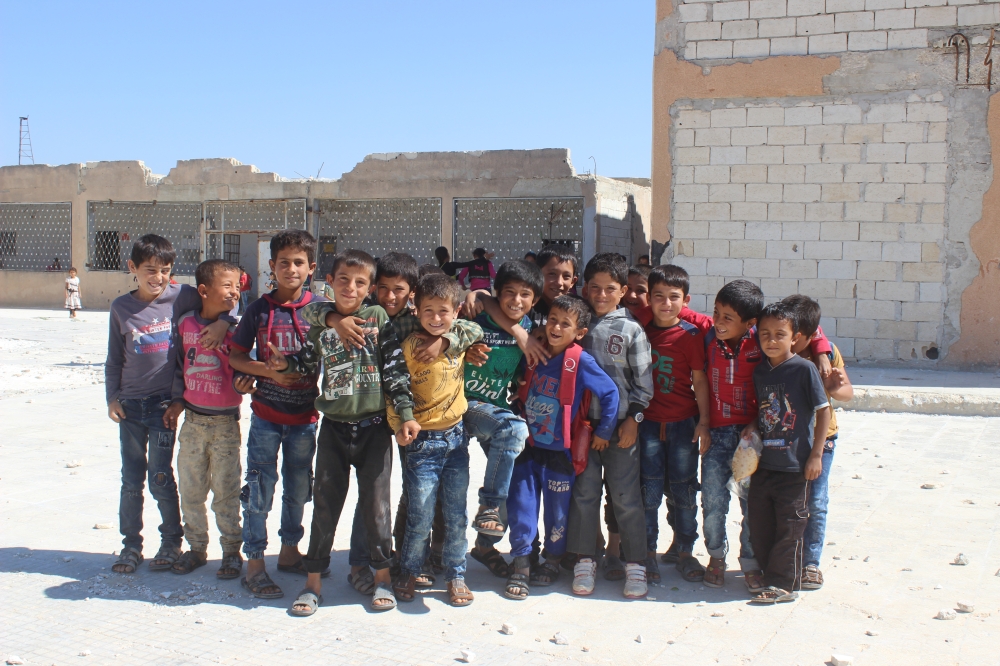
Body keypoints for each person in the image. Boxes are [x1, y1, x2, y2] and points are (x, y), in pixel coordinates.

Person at [313, 251, 483, 594]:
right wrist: (333, 318)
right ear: (375, 289)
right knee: (375, 495)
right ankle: (364, 563)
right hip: (370, 417)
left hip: (418, 422)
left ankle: (419, 558)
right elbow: (313, 312)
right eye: (385, 289)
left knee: (418, 495)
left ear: (412, 293)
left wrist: (446, 341)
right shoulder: (359, 316)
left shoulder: (416, 320)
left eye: (400, 290)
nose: (391, 296)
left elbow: (467, 326)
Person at [268, 249, 420, 615]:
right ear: (329, 283)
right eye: (343, 280)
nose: (350, 288)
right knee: (325, 507)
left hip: (373, 430)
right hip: (334, 430)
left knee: (376, 508)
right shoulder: (322, 321)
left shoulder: (377, 318)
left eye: (359, 283)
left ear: (369, 289)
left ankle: (382, 578)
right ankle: (313, 583)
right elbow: (308, 360)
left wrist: (407, 414)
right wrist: (285, 363)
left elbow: (395, 370)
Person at [105, 234, 230, 575]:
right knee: (131, 480)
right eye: (150, 270)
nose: (158, 277)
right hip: (130, 407)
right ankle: (131, 546)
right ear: (132, 268)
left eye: (165, 270)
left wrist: (224, 322)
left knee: (161, 477)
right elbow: (114, 359)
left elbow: (224, 299)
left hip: (165, 408)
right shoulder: (121, 308)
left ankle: (171, 540)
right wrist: (112, 398)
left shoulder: (183, 295)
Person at [228, 229, 324, 600]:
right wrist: (264, 371)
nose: (291, 269)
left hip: (305, 420)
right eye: (283, 262)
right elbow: (237, 356)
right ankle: (254, 562)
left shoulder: (320, 312)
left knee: (299, 489)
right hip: (266, 416)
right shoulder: (259, 309)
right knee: (259, 488)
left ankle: (289, 551)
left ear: (311, 268)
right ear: (272, 266)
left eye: (299, 262)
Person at [503, 295, 619, 600]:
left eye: (565, 324)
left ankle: (552, 561)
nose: (555, 327)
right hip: (527, 448)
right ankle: (522, 563)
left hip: (560, 454)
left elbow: (610, 394)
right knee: (521, 505)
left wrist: (604, 431)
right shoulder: (533, 351)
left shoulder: (580, 360)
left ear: (579, 332)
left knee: (557, 513)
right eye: (552, 319)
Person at [392, 274, 484, 608]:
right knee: (420, 515)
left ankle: (456, 574)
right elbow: (396, 389)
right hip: (422, 443)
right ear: (415, 310)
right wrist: (401, 421)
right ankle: (409, 570)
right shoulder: (410, 347)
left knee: (457, 514)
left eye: (443, 311)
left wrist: (446, 341)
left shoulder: (457, 338)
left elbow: (476, 329)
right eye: (428, 310)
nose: (435, 318)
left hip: (456, 440)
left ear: (456, 310)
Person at [566, 252, 654, 599]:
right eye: (595, 288)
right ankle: (585, 560)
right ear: (585, 289)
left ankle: (636, 564)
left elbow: (644, 383)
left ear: (623, 291)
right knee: (585, 494)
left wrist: (634, 418)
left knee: (625, 497)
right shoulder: (577, 324)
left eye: (610, 289)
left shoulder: (632, 329)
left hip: (620, 429)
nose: (602, 295)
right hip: (583, 428)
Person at [166, 259, 255, 579]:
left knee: (226, 491)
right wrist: (177, 400)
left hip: (225, 425)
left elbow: (247, 365)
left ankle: (232, 551)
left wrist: (246, 383)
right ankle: (196, 548)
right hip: (192, 422)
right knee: (190, 490)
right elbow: (177, 365)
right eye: (227, 285)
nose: (235, 291)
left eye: (237, 285)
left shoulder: (238, 328)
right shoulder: (185, 323)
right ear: (203, 291)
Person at [744, 301, 831, 604]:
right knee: (760, 522)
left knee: (790, 526)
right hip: (765, 464)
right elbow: (766, 409)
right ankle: (770, 575)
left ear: (794, 337)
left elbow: (824, 412)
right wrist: (753, 425)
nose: (770, 340)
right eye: (764, 334)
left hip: (795, 466)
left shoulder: (804, 370)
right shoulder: (760, 373)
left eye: (779, 334)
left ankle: (783, 585)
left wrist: (816, 455)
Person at [463, 260, 541, 579]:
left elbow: (521, 372)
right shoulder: (476, 316)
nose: (516, 300)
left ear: (534, 300)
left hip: (493, 410)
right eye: (509, 292)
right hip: (461, 404)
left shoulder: (531, 331)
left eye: (525, 294)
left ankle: (485, 545)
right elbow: (474, 302)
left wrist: (522, 379)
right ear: (497, 294)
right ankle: (488, 508)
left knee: (513, 474)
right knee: (513, 430)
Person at [638, 265, 711, 585]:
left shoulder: (691, 336)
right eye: (658, 297)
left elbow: (700, 379)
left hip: (683, 424)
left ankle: (684, 550)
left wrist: (704, 422)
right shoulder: (639, 330)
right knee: (648, 491)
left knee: (683, 490)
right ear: (648, 300)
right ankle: (647, 553)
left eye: (673, 297)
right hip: (647, 424)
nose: (666, 303)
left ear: (686, 300)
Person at [783, 294, 853, 591]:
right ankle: (785, 559)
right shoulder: (775, 348)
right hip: (783, 438)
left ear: (811, 334)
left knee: (816, 501)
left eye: (799, 336)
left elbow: (847, 392)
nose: (792, 339)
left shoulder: (827, 352)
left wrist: (836, 388)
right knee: (786, 500)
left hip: (821, 440)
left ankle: (811, 563)